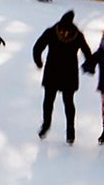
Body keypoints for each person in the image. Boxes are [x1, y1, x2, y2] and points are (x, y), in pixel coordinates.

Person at [33, 10, 87, 143]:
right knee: (63, 102)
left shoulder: (52, 32)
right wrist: (90, 65)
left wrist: (38, 61)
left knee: (55, 101)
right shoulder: (75, 35)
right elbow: (87, 52)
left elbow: (37, 47)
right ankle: (63, 129)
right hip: (65, 73)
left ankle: (60, 128)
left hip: (56, 72)